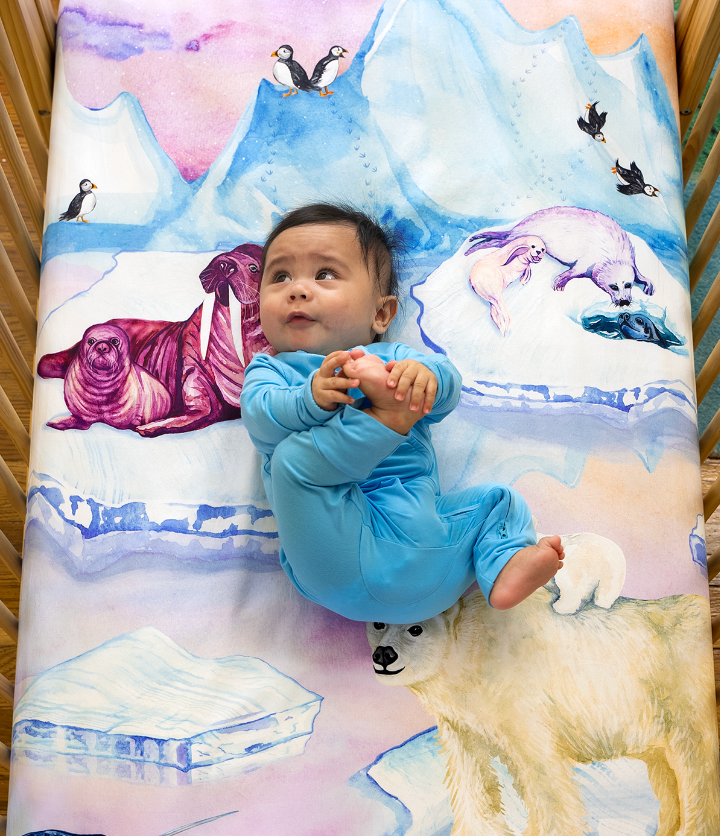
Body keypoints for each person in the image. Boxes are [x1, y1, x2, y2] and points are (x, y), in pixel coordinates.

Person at [240, 203, 563, 624]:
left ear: (381, 314)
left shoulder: (395, 358)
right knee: (292, 463)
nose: (297, 290)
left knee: (498, 502)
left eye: (325, 274)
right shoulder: (271, 370)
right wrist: (309, 399)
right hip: (335, 550)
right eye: (280, 277)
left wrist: (426, 379)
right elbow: (261, 420)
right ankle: (389, 417)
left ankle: (504, 564)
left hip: (428, 549)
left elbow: (447, 388)